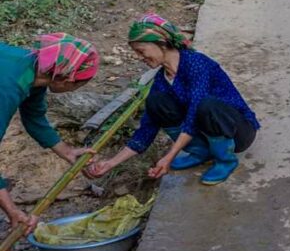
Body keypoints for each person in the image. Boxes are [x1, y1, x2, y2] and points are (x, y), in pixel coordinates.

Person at [87, 14, 259, 186]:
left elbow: (194, 114)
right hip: (204, 130)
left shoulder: (197, 63)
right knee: (156, 102)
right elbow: (147, 128)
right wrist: (111, 163)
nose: (139, 57)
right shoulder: (161, 80)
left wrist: (169, 156)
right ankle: (201, 152)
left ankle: (225, 160)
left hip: (238, 132)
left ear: (161, 43)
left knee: (205, 105)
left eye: (141, 50)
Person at [0, 34, 99, 251]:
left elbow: (34, 117)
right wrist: (12, 210)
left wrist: (67, 152)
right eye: (80, 83)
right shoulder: (8, 86)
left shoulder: (36, 69)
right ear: (65, 78)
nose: (78, 88)